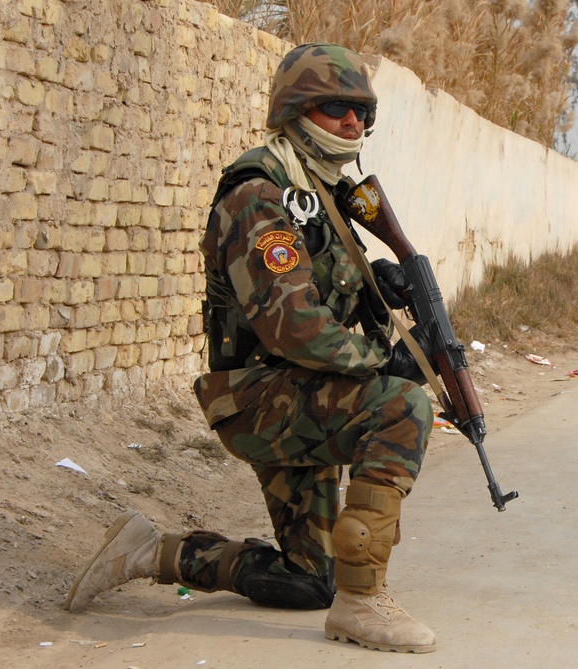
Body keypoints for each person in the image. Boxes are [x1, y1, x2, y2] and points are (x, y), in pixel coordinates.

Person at [63, 43, 439, 654]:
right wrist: (387, 361)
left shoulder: (320, 195)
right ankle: (363, 602)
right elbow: (296, 328)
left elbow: (323, 300)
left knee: (307, 580)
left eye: (363, 113)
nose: (354, 123)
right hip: (262, 399)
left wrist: (377, 289)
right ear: (294, 110)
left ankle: (152, 551)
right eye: (337, 108)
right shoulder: (259, 195)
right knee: (402, 406)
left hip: (303, 394)